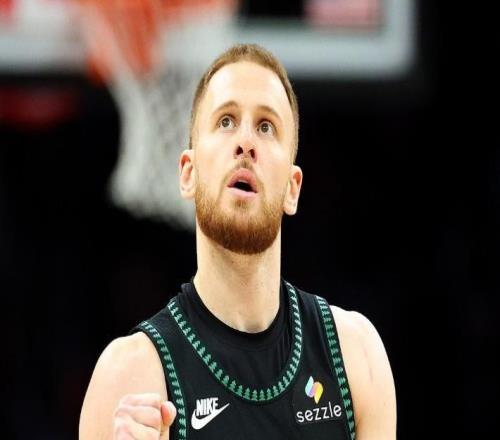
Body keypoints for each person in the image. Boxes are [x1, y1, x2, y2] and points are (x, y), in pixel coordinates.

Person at [79, 43, 397, 440]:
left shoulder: (355, 357)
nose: (245, 142)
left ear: (292, 188)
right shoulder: (130, 378)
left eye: (266, 127)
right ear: (188, 173)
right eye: (226, 121)